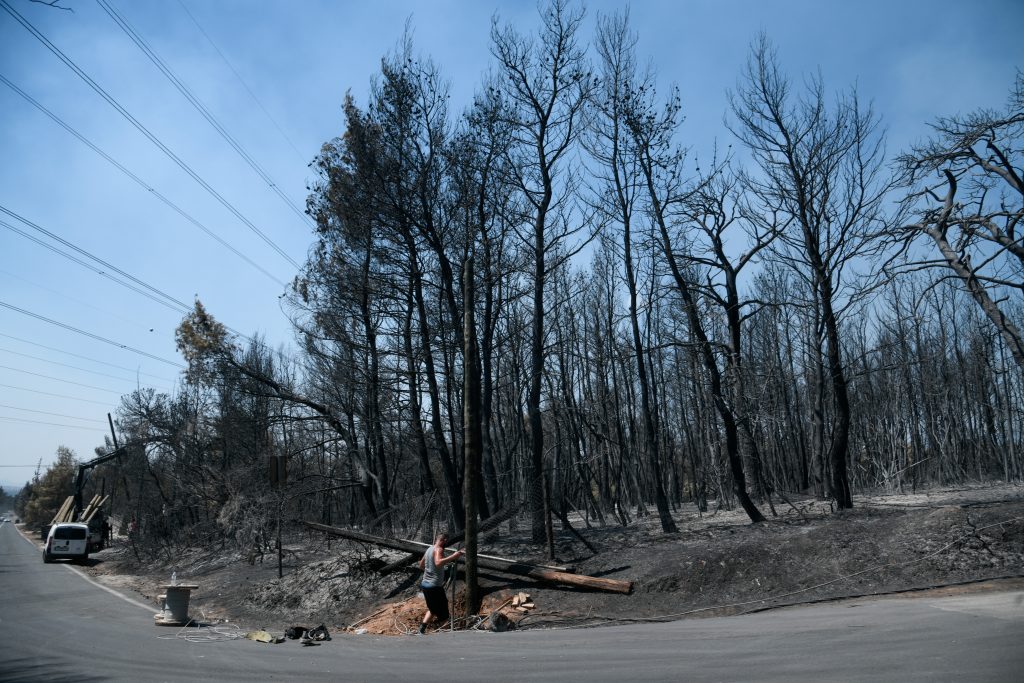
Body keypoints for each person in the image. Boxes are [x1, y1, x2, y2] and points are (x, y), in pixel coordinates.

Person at [417, 532, 464, 634]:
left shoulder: (429, 548)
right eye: (446, 541)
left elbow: (421, 565)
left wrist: (431, 569)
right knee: (444, 614)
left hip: (425, 585)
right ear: (444, 540)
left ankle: (422, 628)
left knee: (433, 609)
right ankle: (445, 634)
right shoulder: (439, 549)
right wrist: (454, 556)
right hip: (434, 586)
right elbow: (438, 563)